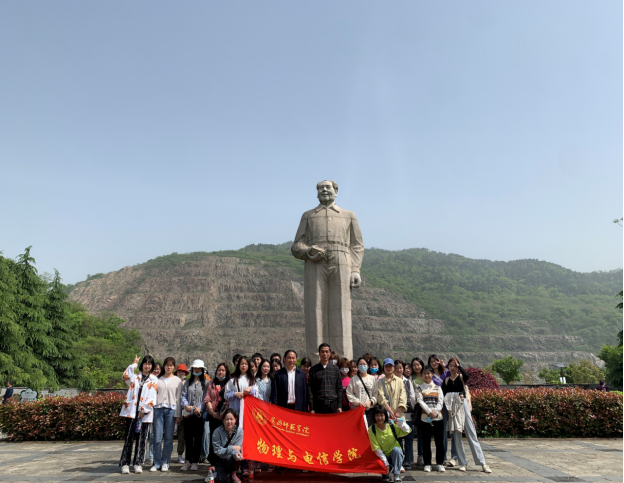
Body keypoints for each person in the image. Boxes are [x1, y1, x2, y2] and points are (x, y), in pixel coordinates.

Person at [291, 179, 364, 360]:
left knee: (342, 309)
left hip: (342, 260)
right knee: (315, 309)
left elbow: (357, 245)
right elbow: (296, 246)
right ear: (316, 193)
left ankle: (343, 361)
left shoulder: (348, 215)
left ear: (336, 191)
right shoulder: (308, 216)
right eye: (320, 188)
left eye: (327, 187)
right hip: (315, 262)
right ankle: (316, 360)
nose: (324, 190)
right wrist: (308, 251)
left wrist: (355, 269)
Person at [442, 357, 491, 473]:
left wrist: (459, 366)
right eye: (451, 365)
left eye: (455, 365)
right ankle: (462, 462)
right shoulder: (446, 381)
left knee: (471, 433)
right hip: (453, 409)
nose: (453, 368)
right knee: (456, 436)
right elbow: (443, 395)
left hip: (462, 405)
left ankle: (482, 463)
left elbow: (467, 375)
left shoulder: (461, 377)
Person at [119, 354, 158, 474]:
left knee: (141, 440)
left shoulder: (154, 379)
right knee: (128, 438)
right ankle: (125, 463)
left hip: (144, 414)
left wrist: (143, 410)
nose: (147, 366)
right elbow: (125, 376)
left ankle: (138, 463)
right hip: (131, 412)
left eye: (149, 364)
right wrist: (134, 364)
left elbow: (153, 398)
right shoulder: (135, 377)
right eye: (145, 363)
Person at [225, 356, 257, 477]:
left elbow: (257, 394)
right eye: (242, 364)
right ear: (238, 366)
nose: (244, 366)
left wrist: (251, 390)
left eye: (246, 364)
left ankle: (246, 466)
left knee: (247, 440)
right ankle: (234, 467)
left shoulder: (252, 380)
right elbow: (226, 395)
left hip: (248, 415)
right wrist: (235, 394)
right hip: (236, 414)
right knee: (235, 439)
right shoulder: (233, 380)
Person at [150, 357, 182, 472]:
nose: (169, 367)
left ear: (174, 367)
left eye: (171, 365)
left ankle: (165, 462)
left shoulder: (177, 380)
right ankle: (156, 462)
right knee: (157, 438)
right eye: (167, 365)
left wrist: (178, 414)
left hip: (171, 410)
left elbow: (178, 398)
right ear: (164, 366)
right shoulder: (157, 379)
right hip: (158, 409)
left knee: (168, 438)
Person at [368, 405, 412, 482]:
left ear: (385, 416)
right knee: (385, 477)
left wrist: (400, 423)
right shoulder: (372, 429)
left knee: (397, 450)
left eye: (382, 415)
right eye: (377, 415)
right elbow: (376, 448)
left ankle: (396, 475)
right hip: (382, 457)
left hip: (394, 455)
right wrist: (386, 463)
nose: (379, 418)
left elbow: (407, 430)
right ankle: (387, 470)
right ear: (374, 417)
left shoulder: (391, 426)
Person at [180, 359, 209, 471]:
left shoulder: (206, 383)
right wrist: (186, 405)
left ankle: (195, 461)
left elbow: (206, 397)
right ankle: (188, 461)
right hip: (188, 413)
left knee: (197, 438)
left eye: (199, 369)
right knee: (187, 438)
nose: (197, 370)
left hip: (199, 415)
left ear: (202, 370)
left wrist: (200, 408)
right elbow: (183, 396)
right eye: (195, 368)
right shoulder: (188, 382)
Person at [416, 365, 445, 473]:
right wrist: (429, 411)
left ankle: (440, 463)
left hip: (438, 419)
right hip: (425, 419)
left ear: (432, 374)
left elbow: (441, 402)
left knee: (439, 442)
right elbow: (420, 401)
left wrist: (435, 412)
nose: (426, 375)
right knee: (426, 442)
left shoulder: (438, 388)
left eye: (428, 373)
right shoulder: (419, 388)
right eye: (424, 373)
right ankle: (427, 463)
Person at [204, 363, 230, 465]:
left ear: (226, 372)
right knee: (214, 437)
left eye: (223, 370)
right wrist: (211, 411)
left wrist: (223, 413)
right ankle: (213, 461)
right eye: (219, 370)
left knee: (225, 437)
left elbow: (229, 400)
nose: (221, 372)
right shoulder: (212, 383)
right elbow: (207, 398)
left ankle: (224, 460)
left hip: (225, 416)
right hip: (213, 415)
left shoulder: (229, 383)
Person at [307, 343, 343, 414]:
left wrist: (339, 406)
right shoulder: (313, 369)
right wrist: (312, 408)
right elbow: (310, 389)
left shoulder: (335, 369)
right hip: (318, 404)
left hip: (333, 404)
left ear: (330, 353)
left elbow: (339, 388)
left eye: (327, 351)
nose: (325, 354)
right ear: (319, 353)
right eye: (322, 351)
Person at [212, 408, 244, 483]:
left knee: (233, 457)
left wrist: (237, 454)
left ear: (235, 419)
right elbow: (217, 450)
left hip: (231, 458)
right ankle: (217, 472)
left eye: (231, 419)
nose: (229, 422)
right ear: (223, 420)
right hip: (220, 458)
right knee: (223, 480)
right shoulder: (217, 432)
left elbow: (237, 448)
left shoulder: (239, 431)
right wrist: (232, 448)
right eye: (226, 419)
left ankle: (233, 473)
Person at [394, 360, 416, 470]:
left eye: (401, 368)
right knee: (398, 437)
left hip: (407, 413)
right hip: (396, 413)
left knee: (409, 437)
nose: (399, 370)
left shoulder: (407, 382)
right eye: (397, 368)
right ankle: (400, 459)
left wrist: (413, 410)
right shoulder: (392, 380)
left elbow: (412, 396)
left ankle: (408, 460)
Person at [346, 356, 378, 427]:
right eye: (360, 364)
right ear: (357, 367)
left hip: (370, 410)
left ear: (368, 366)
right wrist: (357, 402)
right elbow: (349, 393)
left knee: (369, 430)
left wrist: (370, 402)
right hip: (357, 410)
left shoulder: (373, 379)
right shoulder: (353, 379)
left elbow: (376, 394)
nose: (362, 366)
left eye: (364, 364)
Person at [409, 357, 425, 466]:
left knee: (424, 433)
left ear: (421, 365)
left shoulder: (426, 375)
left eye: (418, 364)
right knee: (418, 432)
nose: (416, 367)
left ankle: (423, 455)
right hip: (417, 408)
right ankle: (419, 456)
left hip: (428, 407)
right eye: (414, 365)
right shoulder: (411, 378)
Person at [174, 364, 189, 464]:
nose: (181, 373)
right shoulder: (174, 382)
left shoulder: (187, 383)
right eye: (179, 371)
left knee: (187, 436)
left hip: (187, 412)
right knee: (180, 436)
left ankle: (188, 455)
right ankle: (179, 455)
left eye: (183, 372)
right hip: (177, 412)